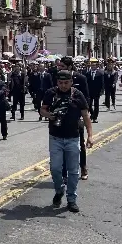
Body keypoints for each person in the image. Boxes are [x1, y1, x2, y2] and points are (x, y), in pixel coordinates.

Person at [41, 70, 93, 213]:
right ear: (57, 82)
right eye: (60, 83)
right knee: (55, 168)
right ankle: (59, 190)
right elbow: (42, 110)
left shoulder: (77, 95)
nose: (63, 86)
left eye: (66, 83)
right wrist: (49, 115)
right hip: (55, 138)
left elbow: (86, 116)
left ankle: (71, 199)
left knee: (73, 171)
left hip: (73, 138)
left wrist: (90, 136)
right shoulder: (51, 93)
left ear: (71, 82)